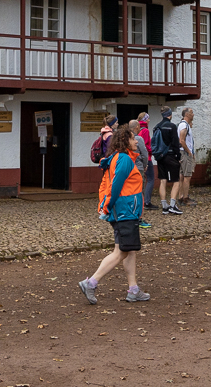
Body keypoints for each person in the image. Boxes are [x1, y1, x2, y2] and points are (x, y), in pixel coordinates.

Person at [78, 126, 149, 304]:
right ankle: (91, 282)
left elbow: (109, 184)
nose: (136, 141)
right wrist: (108, 205)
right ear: (126, 142)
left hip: (124, 211)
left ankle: (133, 289)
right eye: (133, 139)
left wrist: (107, 206)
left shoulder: (118, 158)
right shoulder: (124, 159)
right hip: (125, 211)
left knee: (129, 250)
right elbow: (115, 186)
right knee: (121, 252)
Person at [154, 106, 184, 214]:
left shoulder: (157, 127)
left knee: (163, 180)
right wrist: (178, 156)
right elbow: (175, 143)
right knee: (176, 181)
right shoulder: (171, 126)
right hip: (170, 156)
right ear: (170, 115)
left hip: (160, 156)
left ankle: (164, 206)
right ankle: (172, 205)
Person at [128, 120, 152, 229]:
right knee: (139, 193)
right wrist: (145, 164)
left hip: (129, 168)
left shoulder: (125, 139)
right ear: (137, 127)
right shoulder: (139, 139)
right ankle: (139, 217)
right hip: (138, 168)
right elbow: (145, 153)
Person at [137, 112, 158, 210]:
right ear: (145, 119)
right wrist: (151, 151)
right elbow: (145, 145)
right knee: (150, 179)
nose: (149, 120)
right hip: (147, 158)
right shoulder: (145, 130)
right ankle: (147, 201)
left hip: (140, 158)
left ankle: (143, 200)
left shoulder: (139, 130)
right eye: (148, 118)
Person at [177, 107, 196, 206]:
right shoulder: (184, 126)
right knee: (187, 176)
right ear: (187, 114)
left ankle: (181, 196)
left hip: (182, 153)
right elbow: (182, 140)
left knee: (182, 176)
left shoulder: (183, 125)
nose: (193, 114)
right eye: (191, 113)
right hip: (185, 153)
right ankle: (185, 197)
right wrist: (189, 152)